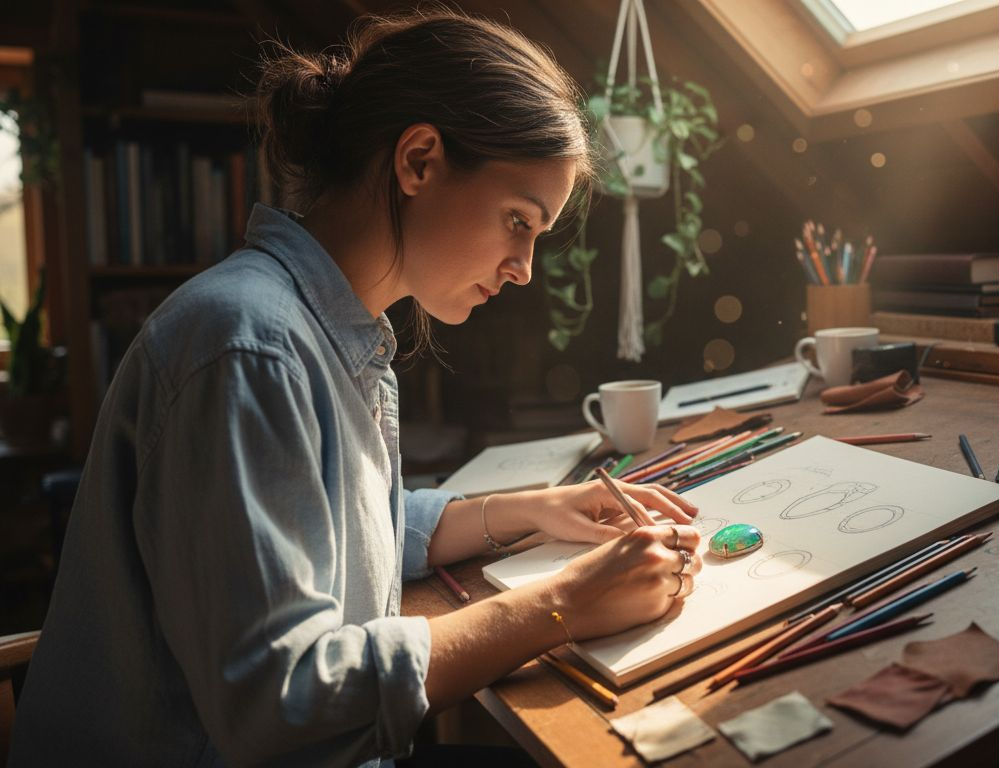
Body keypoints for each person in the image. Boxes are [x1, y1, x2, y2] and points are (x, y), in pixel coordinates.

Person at [10, 9, 703, 766]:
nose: (523, 268)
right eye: (517, 220)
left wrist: (528, 511)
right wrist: (562, 604)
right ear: (419, 160)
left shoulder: (327, 329)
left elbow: (333, 523)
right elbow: (284, 698)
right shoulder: (250, 347)